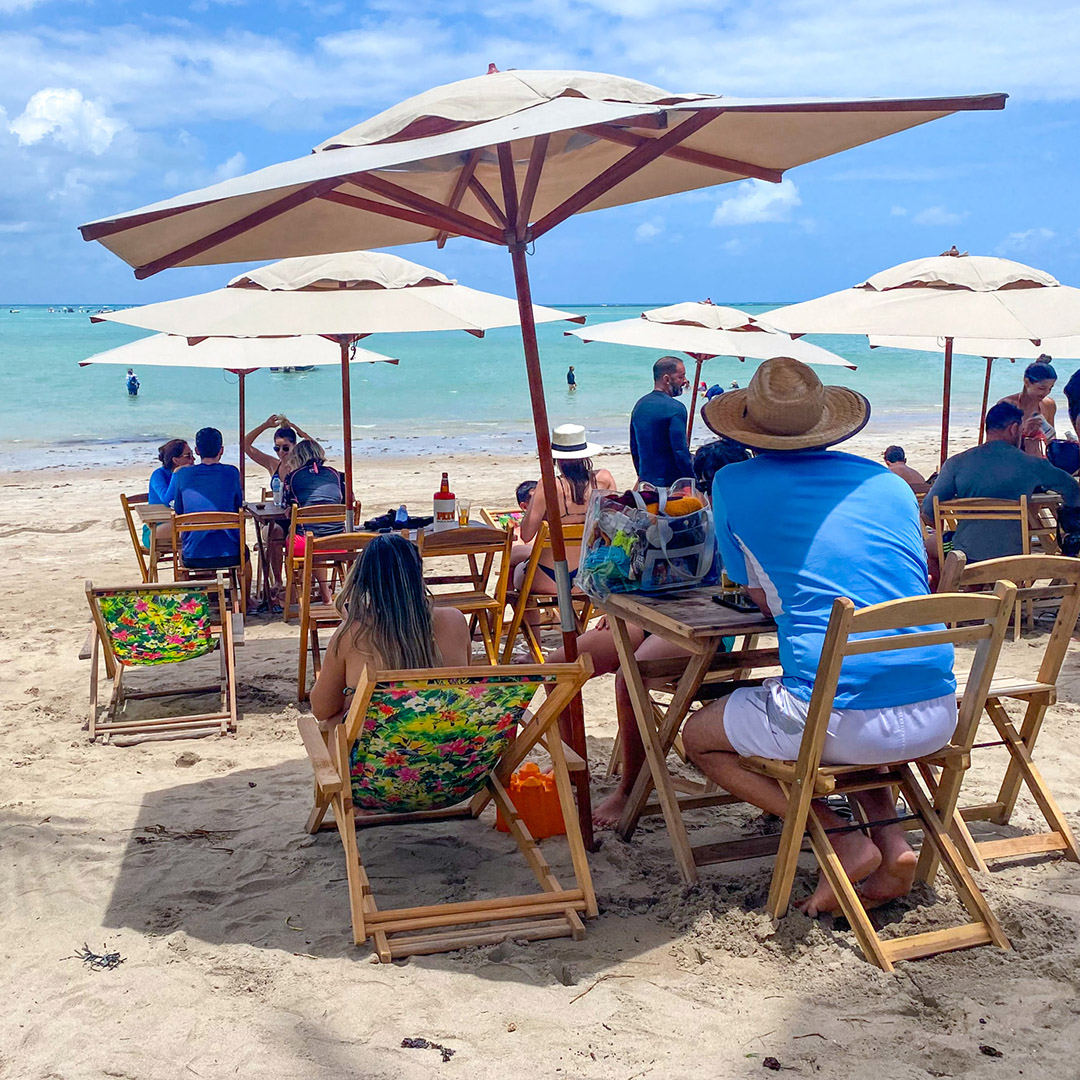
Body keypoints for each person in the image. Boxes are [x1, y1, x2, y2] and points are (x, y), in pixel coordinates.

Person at [680, 357, 957, 918]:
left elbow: (755, 591)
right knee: (851, 674)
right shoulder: (889, 482)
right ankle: (893, 844)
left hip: (839, 721)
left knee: (698, 737)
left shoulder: (733, 481)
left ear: (747, 428)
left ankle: (838, 837)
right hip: (936, 712)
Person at [310, 534, 470, 726]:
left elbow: (321, 709)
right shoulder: (455, 621)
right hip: (449, 746)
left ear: (364, 581)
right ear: (417, 573)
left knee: (332, 722)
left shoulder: (352, 634)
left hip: (381, 753)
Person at [921, 400, 1080, 576]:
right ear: (1013, 429)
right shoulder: (1032, 464)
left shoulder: (956, 463)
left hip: (964, 555)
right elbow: (1073, 489)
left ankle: (946, 595)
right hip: (1012, 555)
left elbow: (928, 514)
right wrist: (1067, 512)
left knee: (929, 546)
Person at [515, 424, 617, 603]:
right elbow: (615, 528)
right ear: (585, 455)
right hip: (589, 574)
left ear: (558, 459)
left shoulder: (548, 485)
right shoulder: (605, 479)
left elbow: (526, 533)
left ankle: (530, 631)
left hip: (548, 575)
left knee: (513, 573)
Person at [166, 426, 251, 610]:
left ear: (197, 451)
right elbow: (238, 504)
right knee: (245, 553)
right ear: (221, 450)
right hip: (231, 555)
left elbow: (179, 508)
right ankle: (246, 600)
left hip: (194, 555)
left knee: (197, 541)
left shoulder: (182, 474)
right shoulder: (231, 473)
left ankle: (203, 599)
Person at [282, 438, 344, 603]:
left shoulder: (292, 477)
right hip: (339, 541)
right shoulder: (335, 474)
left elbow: (286, 509)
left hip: (307, 542)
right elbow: (346, 500)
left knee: (301, 536)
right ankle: (325, 593)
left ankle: (295, 595)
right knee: (317, 535)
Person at [629, 356, 693, 488]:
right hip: (671, 484)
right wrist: (692, 481)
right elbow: (680, 451)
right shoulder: (676, 408)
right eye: (681, 377)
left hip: (647, 482)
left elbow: (634, 448)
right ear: (667, 379)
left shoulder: (639, 405)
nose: (685, 381)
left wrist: (641, 477)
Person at [998, 358, 1057, 458]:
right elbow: (999, 444)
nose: (1046, 392)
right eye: (1041, 388)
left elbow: (1051, 441)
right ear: (1027, 382)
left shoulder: (1048, 405)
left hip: (1037, 460)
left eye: (1050, 388)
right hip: (1012, 459)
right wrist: (1024, 433)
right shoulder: (1007, 405)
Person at [145, 437, 194, 551]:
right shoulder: (159, 475)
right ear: (175, 460)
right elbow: (168, 500)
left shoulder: (189, 474)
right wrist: (176, 473)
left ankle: (187, 566)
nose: (193, 459)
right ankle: (184, 566)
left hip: (180, 522)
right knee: (188, 529)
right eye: (188, 456)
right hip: (155, 528)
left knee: (196, 527)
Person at [243, 414, 314, 483]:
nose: (281, 452)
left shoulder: (303, 464)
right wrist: (265, 425)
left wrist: (301, 433)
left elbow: (319, 451)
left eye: (285, 448)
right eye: (277, 448)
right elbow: (245, 445)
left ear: (295, 445)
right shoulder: (273, 464)